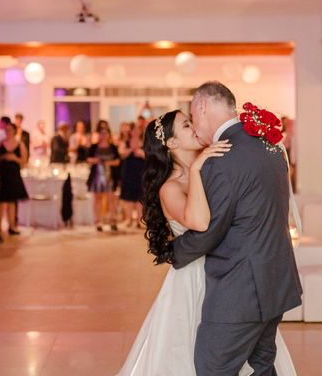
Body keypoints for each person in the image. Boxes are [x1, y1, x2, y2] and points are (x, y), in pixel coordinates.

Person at [119, 108, 298, 376]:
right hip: (193, 278)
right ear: (172, 143)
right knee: (197, 354)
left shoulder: (214, 167)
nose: (194, 127)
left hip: (231, 272)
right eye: (186, 125)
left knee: (249, 353)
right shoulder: (170, 186)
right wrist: (196, 171)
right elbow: (201, 223)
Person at [173, 81, 301, 375]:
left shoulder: (222, 157)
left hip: (241, 289)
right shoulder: (268, 144)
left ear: (202, 106)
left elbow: (210, 229)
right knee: (262, 366)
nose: (194, 126)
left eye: (193, 116)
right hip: (274, 281)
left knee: (212, 368)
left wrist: (173, 251)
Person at [0, 122, 29, 237]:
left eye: (10, 129)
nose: (8, 131)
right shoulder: (1, 144)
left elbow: (24, 162)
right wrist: (4, 157)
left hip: (14, 175)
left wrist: (14, 158)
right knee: (1, 202)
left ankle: (12, 226)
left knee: (12, 202)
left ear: (15, 131)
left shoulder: (20, 145)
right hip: (3, 175)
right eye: (6, 129)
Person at [86, 128, 120, 232]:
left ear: (109, 135)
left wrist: (108, 163)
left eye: (105, 133)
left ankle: (112, 220)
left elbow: (118, 161)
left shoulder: (113, 147)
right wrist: (96, 160)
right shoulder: (94, 146)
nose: (104, 135)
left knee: (111, 199)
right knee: (98, 199)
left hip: (110, 176)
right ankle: (98, 221)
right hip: (97, 176)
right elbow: (88, 159)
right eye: (102, 133)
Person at [119, 124, 145, 229]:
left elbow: (148, 155)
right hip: (128, 171)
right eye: (133, 130)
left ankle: (139, 220)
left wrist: (140, 152)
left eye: (137, 129)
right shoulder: (125, 142)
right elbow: (121, 153)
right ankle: (129, 219)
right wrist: (131, 150)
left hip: (140, 171)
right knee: (128, 197)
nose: (135, 132)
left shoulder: (145, 141)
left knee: (140, 197)